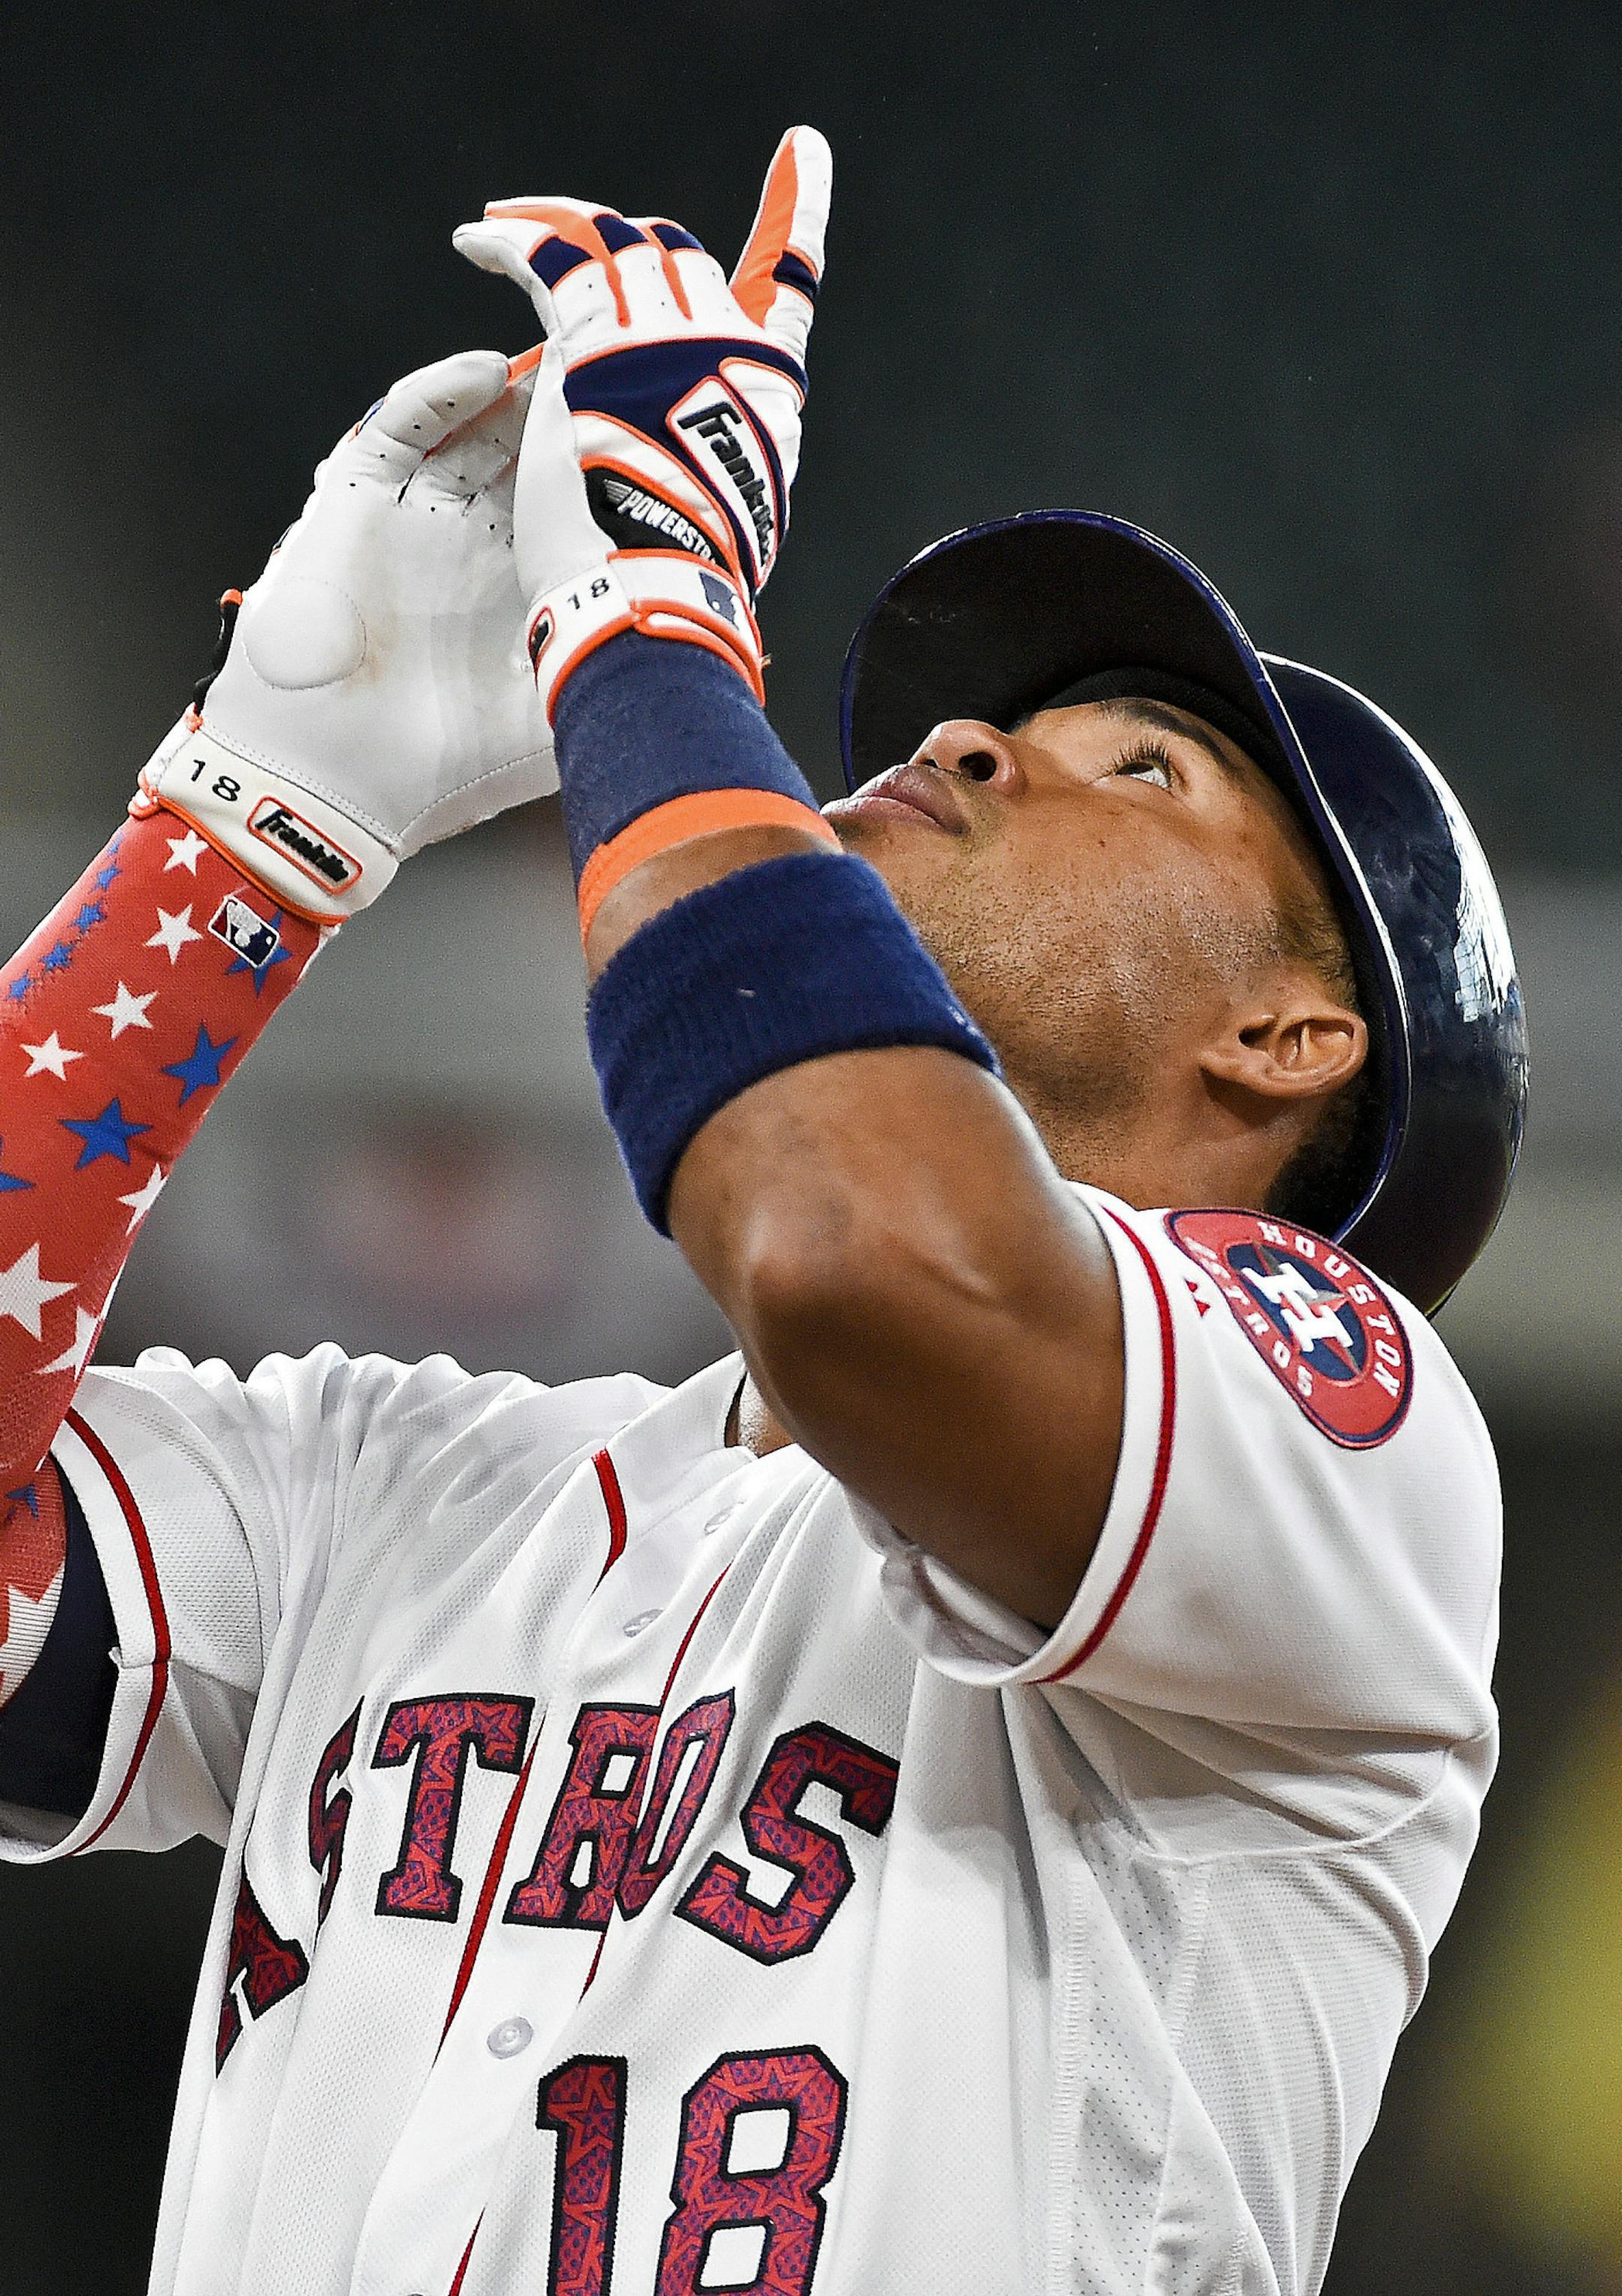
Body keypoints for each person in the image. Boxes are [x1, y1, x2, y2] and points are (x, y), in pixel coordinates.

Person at [0, 128, 1524, 2295]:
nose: (980, 743)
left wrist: (641, 624)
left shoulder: (1347, 1461)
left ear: (1296, 1037)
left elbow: (849, 1252)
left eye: (1141, 766)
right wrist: (252, 816)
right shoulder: (413, 1488)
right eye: (996, 718)